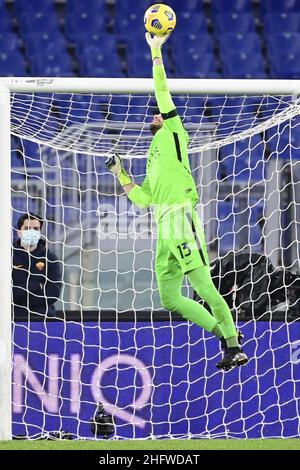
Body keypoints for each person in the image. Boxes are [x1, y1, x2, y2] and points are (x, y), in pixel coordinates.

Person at [105, 33, 248, 371]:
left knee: (204, 287)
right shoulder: (152, 159)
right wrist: (121, 174)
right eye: (154, 115)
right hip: (163, 228)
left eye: (159, 113)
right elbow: (142, 199)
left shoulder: (174, 132)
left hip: (182, 220)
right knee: (170, 299)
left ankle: (233, 343)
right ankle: (224, 335)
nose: (155, 114)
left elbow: (162, 90)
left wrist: (155, 52)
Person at [12, 212, 62, 317]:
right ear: (19, 232)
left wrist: (20, 300)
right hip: (13, 319)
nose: (31, 232)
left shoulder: (51, 258)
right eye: (27, 228)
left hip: (44, 319)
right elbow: (7, 293)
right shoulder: (7, 257)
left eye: (35, 229)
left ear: (40, 232)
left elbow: (53, 293)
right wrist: (35, 286)